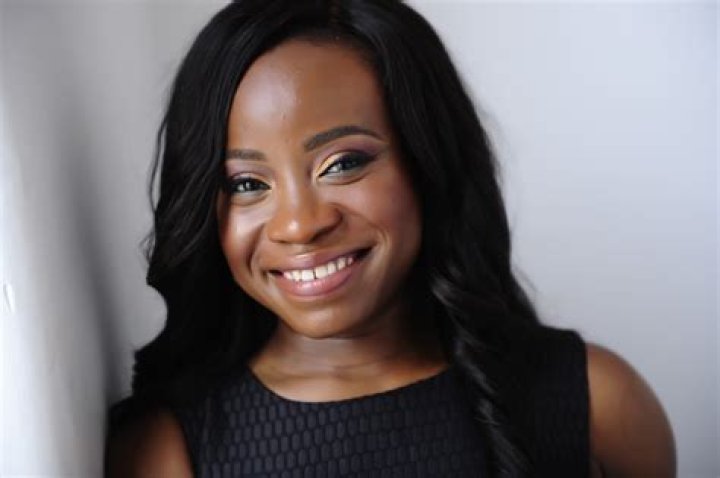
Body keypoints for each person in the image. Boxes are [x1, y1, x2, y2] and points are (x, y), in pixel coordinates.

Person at [106, 1, 676, 476]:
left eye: (343, 163)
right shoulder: (170, 450)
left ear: (429, 161)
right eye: (247, 184)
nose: (300, 224)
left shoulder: (599, 402)